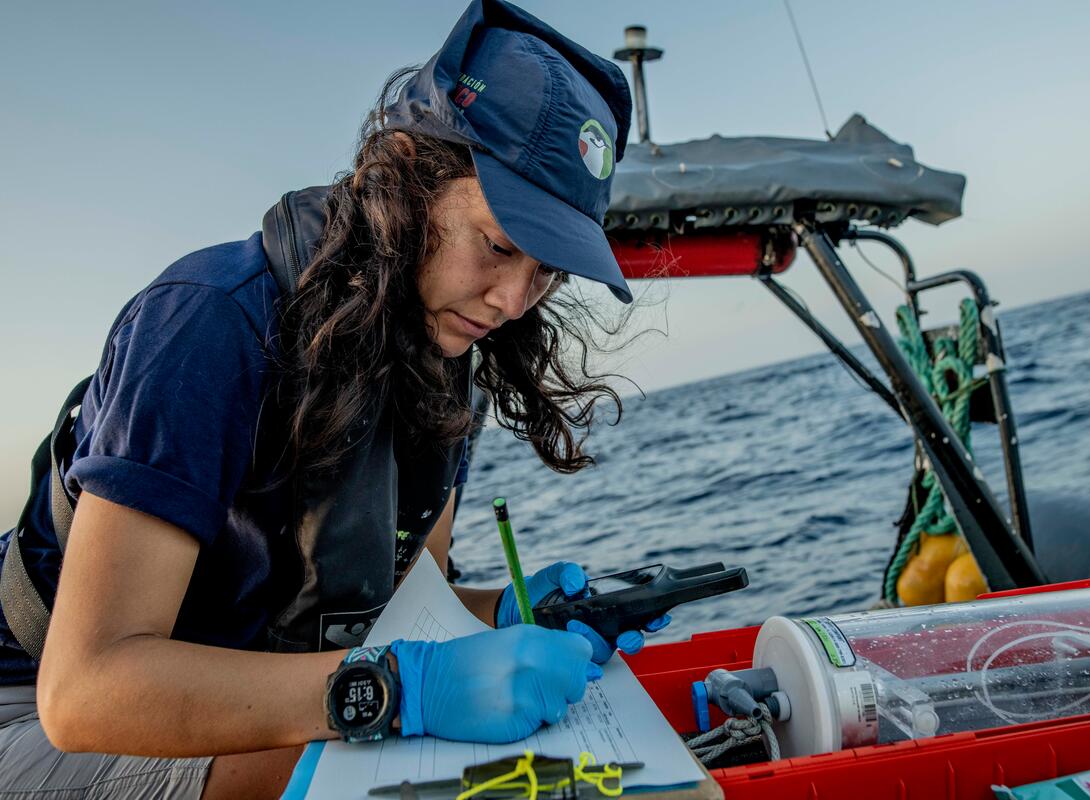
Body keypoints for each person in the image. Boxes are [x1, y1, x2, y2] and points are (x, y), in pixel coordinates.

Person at [0, 1, 667, 797]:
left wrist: (509, 613)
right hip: (36, 705)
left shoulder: (448, 353)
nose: (513, 301)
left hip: (233, 677)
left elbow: (408, 604)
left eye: (547, 270)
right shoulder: (207, 323)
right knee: (388, 762)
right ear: (408, 179)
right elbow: (86, 691)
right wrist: (407, 690)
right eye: (498, 245)